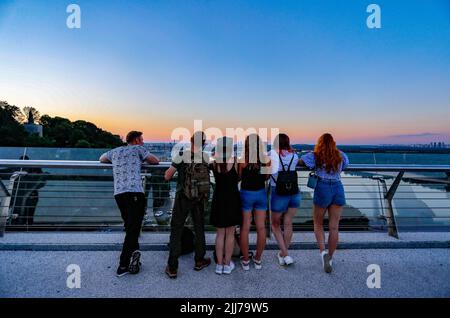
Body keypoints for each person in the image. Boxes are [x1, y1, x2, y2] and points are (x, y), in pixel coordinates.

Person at [99, 131, 159, 277]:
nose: (143, 142)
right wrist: (141, 160)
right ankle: (123, 265)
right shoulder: (138, 149)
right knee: (133, 229)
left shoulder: (115, 151)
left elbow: (101, 159)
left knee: (130, 226)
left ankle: (134, 256)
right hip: (134, 193)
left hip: (119, 193)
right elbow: (155, 160)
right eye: (142, 139)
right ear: (136, 140)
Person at [299, 133, 349, 273]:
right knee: (334, 227)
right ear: (333, 143)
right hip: (338, 188)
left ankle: (323, 253)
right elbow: (346, 164)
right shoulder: (340, 155)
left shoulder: (315, 155)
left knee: (318, 223)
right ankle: (331, 257)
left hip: (323, 188)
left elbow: (301, 161)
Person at [164, 131, 212, 279]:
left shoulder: (182, 155)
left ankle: (172, 267)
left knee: (176, 229)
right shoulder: (205, 157)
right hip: (199, 198)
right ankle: (199, 260)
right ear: (203, 143)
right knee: (199, 228)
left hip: (183, 196)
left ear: (190, 141)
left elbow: (167, 176)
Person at [238, 134, 271, 270]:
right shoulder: (266, 160)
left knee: (245, 228)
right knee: (261, 228)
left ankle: (245, 261)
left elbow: (239, 177)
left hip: (246, 194)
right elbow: (266, 177)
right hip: (260, 194)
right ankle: (257, 259)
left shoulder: (242, 161)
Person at [210, 137, 242, 275]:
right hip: (233, 199)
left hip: (218, 199)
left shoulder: (214, 162)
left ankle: (219, 265)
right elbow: (239, 177)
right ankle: (227, 264)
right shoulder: (235, 161)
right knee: (230, 233)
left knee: (219, 234)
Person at [269, 133, 301, 266]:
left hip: (278, 192)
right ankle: (283, 253)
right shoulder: (295, 156)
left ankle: (285, 254)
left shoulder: (272, 154)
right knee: (288, 223)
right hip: (294, 192)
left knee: (275, 225)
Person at [11, 155, 46, 226]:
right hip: (18, 195)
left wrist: (29, 175)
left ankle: (28, 228)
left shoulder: (35, 169)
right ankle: (16, 227)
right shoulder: (15, 169)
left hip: (31, 195)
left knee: (29, 214)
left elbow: (42, 180)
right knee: (16, 214)